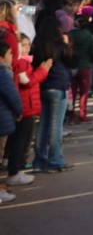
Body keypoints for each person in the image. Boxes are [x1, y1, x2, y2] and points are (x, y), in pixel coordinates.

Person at [31, 16, 77, 173]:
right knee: (56, 126)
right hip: (58, 86)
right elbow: (73, 62)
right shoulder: (59, 44)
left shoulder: (37, 45)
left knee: (43, 124)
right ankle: (55, 160)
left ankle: (39, 160)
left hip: (42, 85)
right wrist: (68, 44)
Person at [5, 33, 50, 187]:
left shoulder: (24, 62)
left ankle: (16, 169)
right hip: (24, 108)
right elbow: (26, 81)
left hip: (26, 107)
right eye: (22, 45)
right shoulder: (21, 63)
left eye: (28, 45)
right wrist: (43, 71)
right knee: (20, 141)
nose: (26, 48)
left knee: (21, 141)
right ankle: (14, 172)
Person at [68, 8, 93, 123]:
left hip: (72, 66)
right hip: (85, 66)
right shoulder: (90, 37)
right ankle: (82, 114)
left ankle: (71, 115)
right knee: (84, 92)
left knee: (72, 91)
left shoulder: (70, 35)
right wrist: (92, 60)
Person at [0, 41, 21, 203]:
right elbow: (13, 96)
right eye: (9, 54)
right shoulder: (3, 73)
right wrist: (19, 111)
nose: (12, 57)